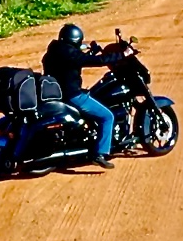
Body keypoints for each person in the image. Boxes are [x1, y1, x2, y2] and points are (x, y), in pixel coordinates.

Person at [43, 22, 124, 169]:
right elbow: (98, 61)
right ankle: (100, 153)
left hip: (57, 94)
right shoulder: (70, 54)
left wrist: (89, 51)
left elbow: (78, 59)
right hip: (72, 95)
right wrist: (121, 55)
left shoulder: (54, 50)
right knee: (107, 116)